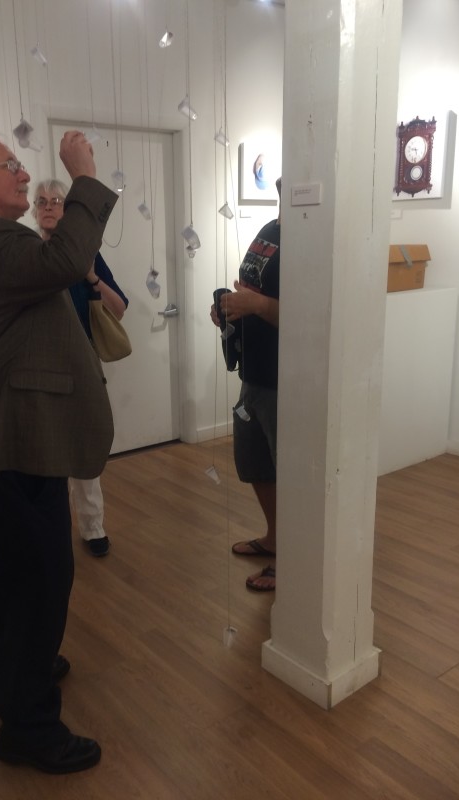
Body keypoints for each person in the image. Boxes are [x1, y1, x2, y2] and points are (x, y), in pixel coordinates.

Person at [0, 129, 118, 773]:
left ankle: (9, 678)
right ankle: (29, 729)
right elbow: (63, 264)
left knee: (2, 577)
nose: (23, 173)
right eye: (9, 165)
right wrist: (86, 176)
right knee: (38, 580)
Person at [32, 178, 129, 557]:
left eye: (56, 200)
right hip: (38, 367)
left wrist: (90, 275)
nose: (48, 206)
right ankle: (51, 530)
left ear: (69, 209)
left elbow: (118, 308)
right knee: (43, 455)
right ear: (33, 210)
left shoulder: (85, 253)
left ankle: (92, 527)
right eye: (41, 201)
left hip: (82, 363)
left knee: (85, 450)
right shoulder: (25, 252)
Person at [211, 178, 281, 592]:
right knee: (255, 464)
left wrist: (255, 305)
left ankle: (292, 556)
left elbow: (313, 315)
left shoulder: (315, 240)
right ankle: (275, 538)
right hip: (253, 374)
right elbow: (251, 289)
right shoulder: (270, 231)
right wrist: (230, 310)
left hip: (284, 379)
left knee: (287, 471)